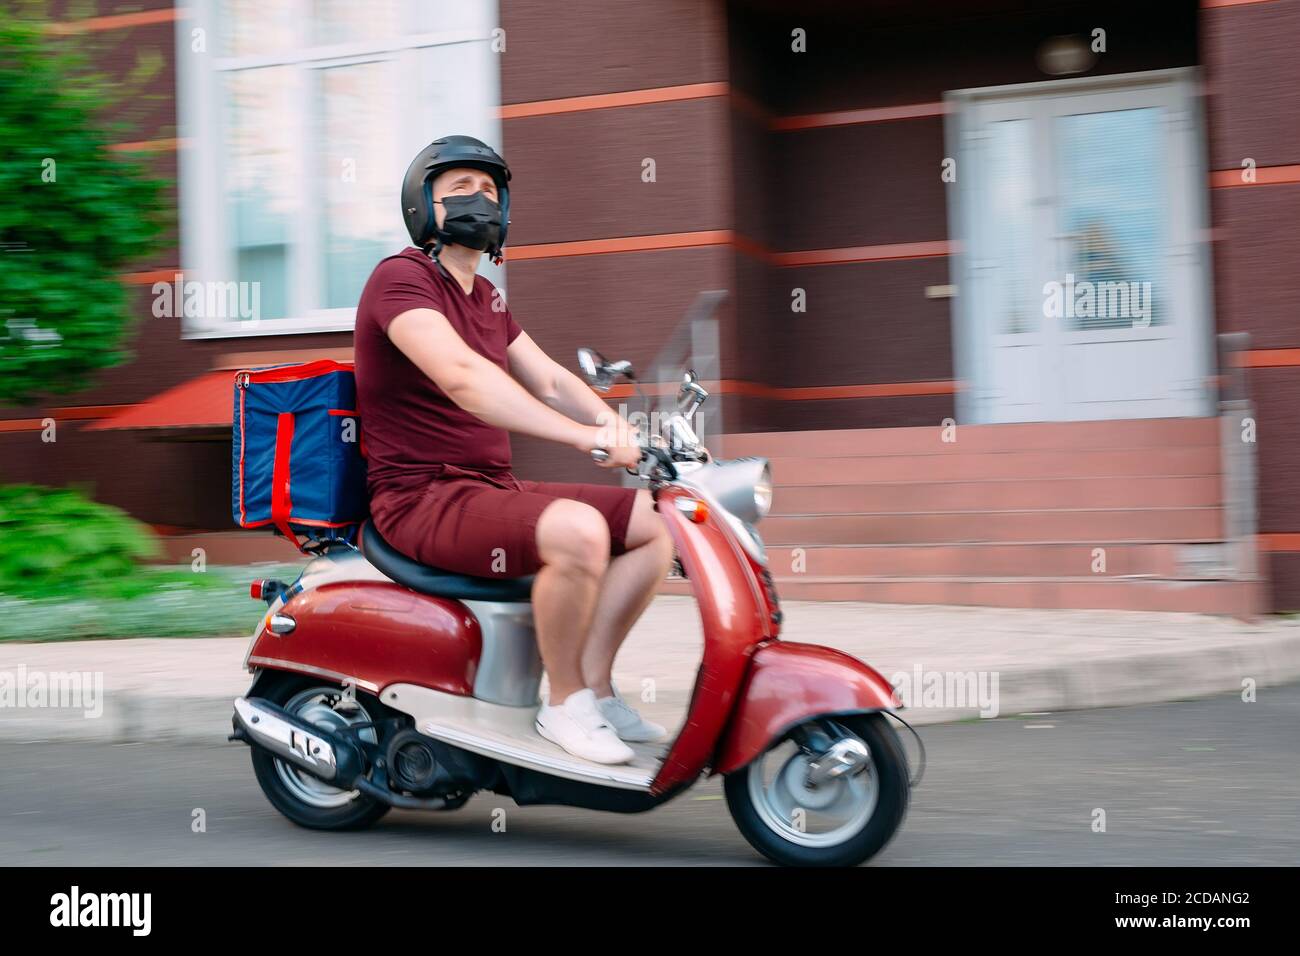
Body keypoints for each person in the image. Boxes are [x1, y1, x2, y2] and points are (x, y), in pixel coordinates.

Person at [354, 135, 674, 766]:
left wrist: (626, 433)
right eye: (460, 191)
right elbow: (463, 380)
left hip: (488, 488)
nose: (482, 201)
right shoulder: (401, 279)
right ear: (425, 209)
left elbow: (552, 379)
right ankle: (564, 703)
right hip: (420, 496)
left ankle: (597, 689)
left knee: (657, 524)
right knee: (580, 533)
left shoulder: (489, 298)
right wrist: (586, 440)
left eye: (491, 191)